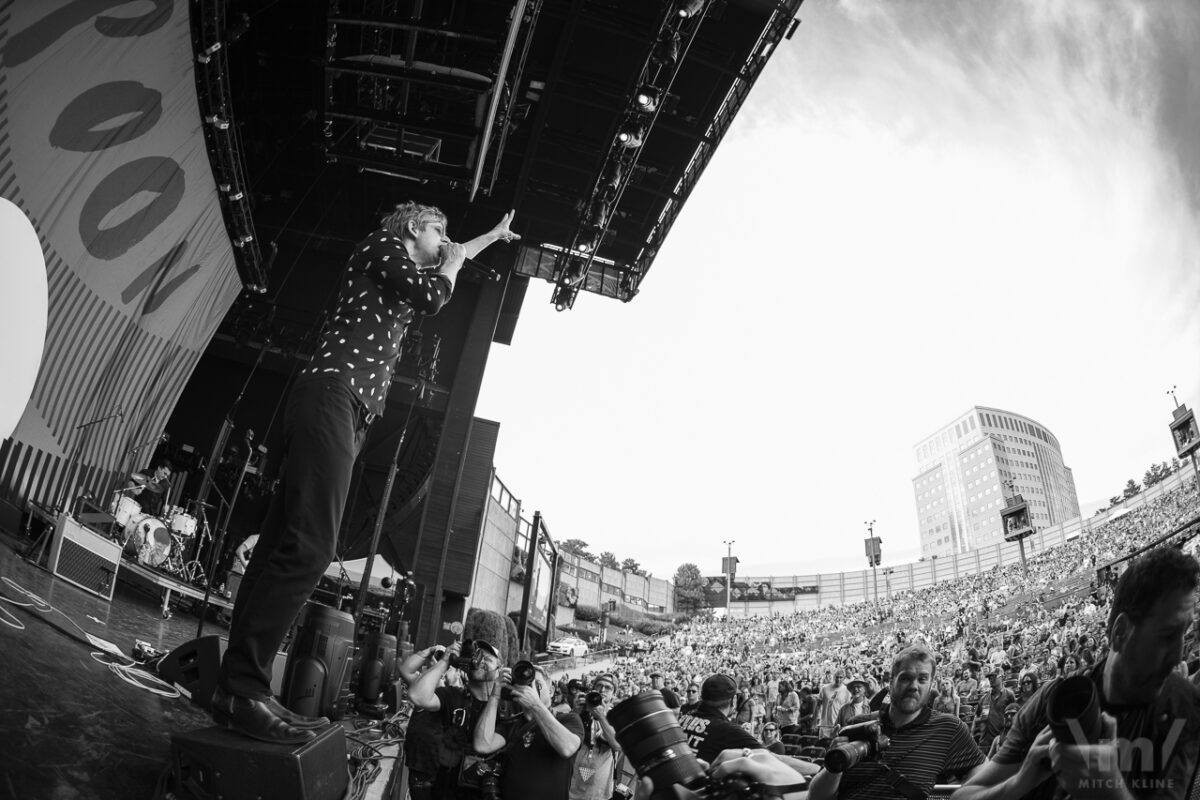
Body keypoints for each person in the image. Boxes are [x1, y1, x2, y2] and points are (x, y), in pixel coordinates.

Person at [210, 203, 519, 743]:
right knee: (310, 547)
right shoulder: (381, 246)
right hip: (333, 394)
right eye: (438, 230)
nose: (446, 240)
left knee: (283, 541)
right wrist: (457, 256)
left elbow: (446, 266)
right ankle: (243, 688)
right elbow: (433, 296)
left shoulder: (404, 265)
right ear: (410, 229)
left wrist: (485, 239)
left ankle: (241, 688)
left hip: (346, 410)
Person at [952, 546, 1200, 800]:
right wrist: (1020, 781)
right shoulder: (1055, 699)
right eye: (1166, 636)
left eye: (1185, 632)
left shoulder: (1184, 709)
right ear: (1121, 632)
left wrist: (1108, 791)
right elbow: (962, 796)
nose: (1177, 654)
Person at [806, 644, 985, 800]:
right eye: (905, 678)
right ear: (891, 681)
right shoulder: (856, 726)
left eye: (922, 679)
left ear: (931, 685)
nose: (914, 685)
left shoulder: (948, 728)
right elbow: (815, 797)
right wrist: (834, 766)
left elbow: (983, 774)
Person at [406, 638, 506, 800]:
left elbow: (485, 745)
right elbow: (417, 696)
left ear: (500, 668)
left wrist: (497, 693)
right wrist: (445, 660)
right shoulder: (453, 696)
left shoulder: (505, 708)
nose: (480, 661)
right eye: (477, 656)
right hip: (444, 791)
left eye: (488, 659)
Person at [474, 663, 583, 800]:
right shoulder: (513, 723)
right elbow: (482, 745)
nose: (529, 687)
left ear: (551, 690)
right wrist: (495, 695)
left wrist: (536, 705)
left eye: (536, 683)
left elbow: (567, 748)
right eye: (526, 684)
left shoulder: (568, 719)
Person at [677, 673, 762, 763]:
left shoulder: (681, 720)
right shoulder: (727, 730)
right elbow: (768, 758)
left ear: (702, 696)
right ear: (733, 700)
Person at [569, 674, 622, 800]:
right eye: (599, 686)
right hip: (572, 787)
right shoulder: (581, 711)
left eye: (608, 688)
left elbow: (617, 745)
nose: (602, 690)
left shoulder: (616, 716)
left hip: (599, 792)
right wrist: (575, 711)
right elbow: (565, 736)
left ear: (614, 694)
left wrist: (601, 716)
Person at [974, 671, 1016, 753]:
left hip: (1001, 740)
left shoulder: (1009, 695)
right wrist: (982, 719)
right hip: (984, 742)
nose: (990, 679)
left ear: (1001, 677)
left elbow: (1015, 716)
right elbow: (975, 719)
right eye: (989, 678)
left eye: (993, 677)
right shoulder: (984, 698)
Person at [816, 670, 851, 738]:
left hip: (838, 724)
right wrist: (817, 719)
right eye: (837, 677)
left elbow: (847, 709)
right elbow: (818, 705)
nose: (838, 679)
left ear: (844, 678)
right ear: (834, 677)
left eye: (841, 677)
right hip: (824, 724)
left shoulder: (847, 691)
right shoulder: (824, 688)